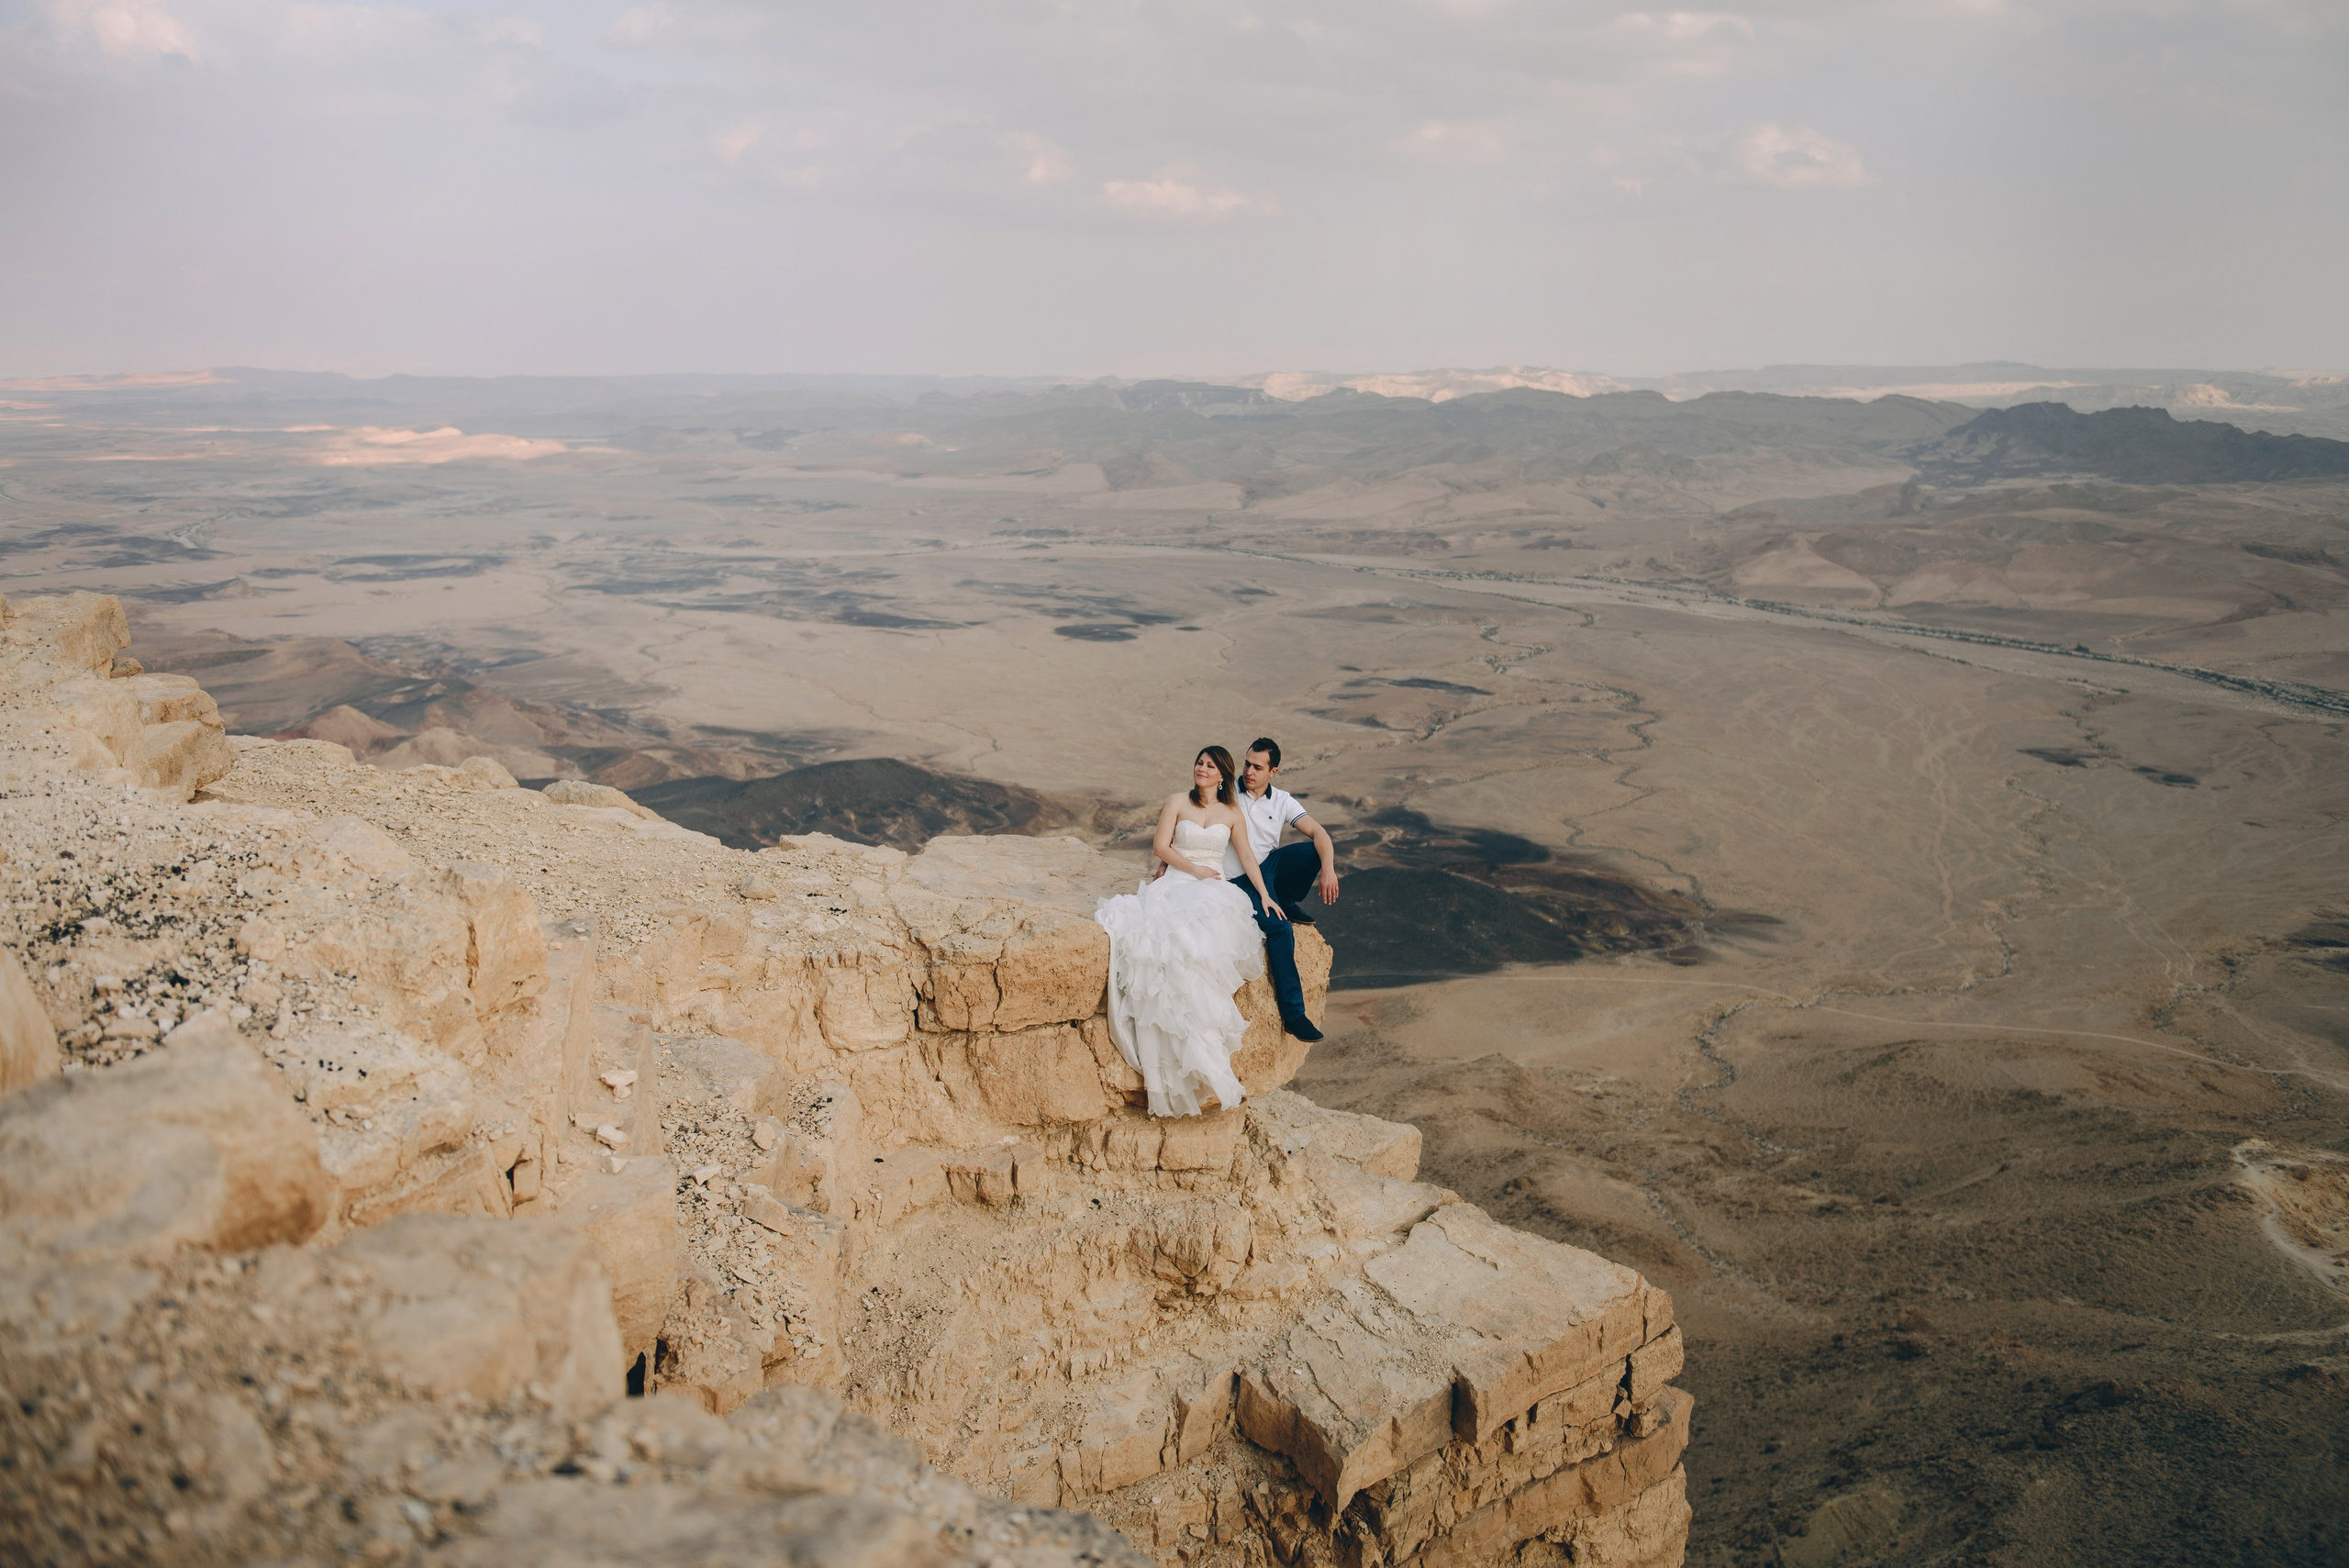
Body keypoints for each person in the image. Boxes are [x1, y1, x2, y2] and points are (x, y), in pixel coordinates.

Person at [1094, 746, 1288, 1118]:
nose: (1202, 769)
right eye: (1200, 763)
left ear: (1222, 775)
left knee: (1202, 950)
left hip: (1212, 889)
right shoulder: (1177, 801)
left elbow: (1247, 856)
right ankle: (1176, 1053)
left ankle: (1202, 1051)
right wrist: (1190, 869)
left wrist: (1265, 895)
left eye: (1210, 766)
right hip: (1179, 880)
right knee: (1167, 946)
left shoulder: (1231, 813)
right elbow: (1160, 846)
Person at [1157, 736, 1339, 1041]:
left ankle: (1287, 898)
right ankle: (1294, 1015)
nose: (1249, 772)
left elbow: (1318, 832)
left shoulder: (1282, 801)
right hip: (1236, 880)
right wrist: (1170, 861)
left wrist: (1328, 870)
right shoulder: (1228, 792)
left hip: (1267, 872)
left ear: (1273, 772)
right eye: (1246, 764)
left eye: (1257, 767)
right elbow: (1192, 819)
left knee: (1311, 851)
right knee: (1281, 930)